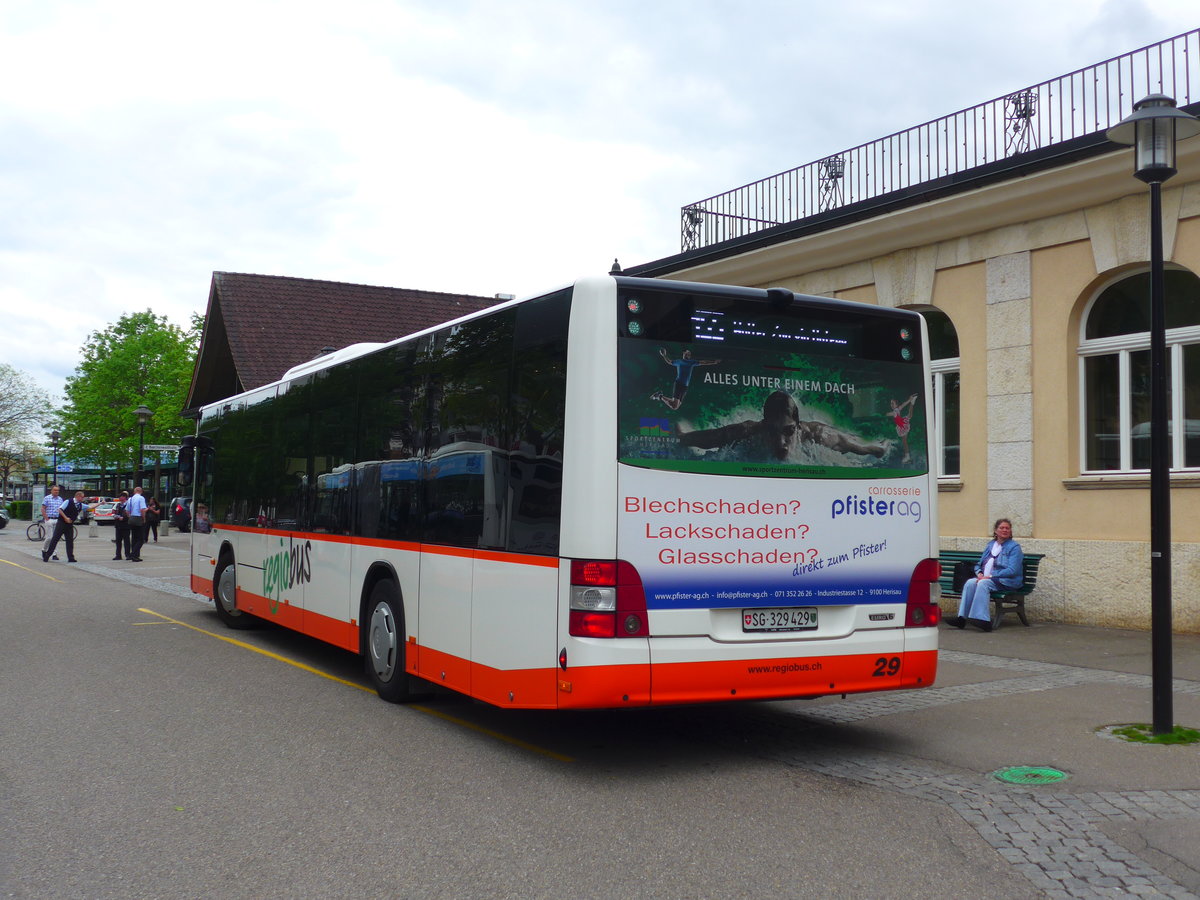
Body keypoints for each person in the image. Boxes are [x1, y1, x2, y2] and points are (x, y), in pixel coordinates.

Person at [678, 390, 889, 461]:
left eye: (788, 431)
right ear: (763, 425)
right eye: (772, 431)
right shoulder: (747, 432)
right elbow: (701, 438)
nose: (781, 443)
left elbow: (863, 447)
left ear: (797, 427)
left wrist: (881, 447)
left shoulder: (817, 435)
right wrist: (682, 436)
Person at [945, 518, 1024, 632]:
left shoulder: (1014, 547)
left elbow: (1013, 570)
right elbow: (979, 564)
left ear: (1010, 531)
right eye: (1001, 528)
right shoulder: (990, 545)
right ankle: (962, 618)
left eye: (1007, 528)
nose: (1005, 530)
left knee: (983, 584)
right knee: (970, 583)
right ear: (996, 531)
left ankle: (983, 621)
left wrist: (991, 576)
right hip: (988, 579)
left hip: (1007, 581)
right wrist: (980, 573)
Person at [650, 348, 720, 411]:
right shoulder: (679, 361)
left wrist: (714, 362)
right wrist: (664, 355)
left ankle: (659, 395)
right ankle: (660, 396)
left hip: (685, 387)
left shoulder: (692, 362)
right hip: (679, 384)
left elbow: (704, 362)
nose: (688, 354)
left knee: (675, 406)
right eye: (687, 352)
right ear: (684, 354)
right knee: (674, 406)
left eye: (689, 354)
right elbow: (669, 361)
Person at [43, 490, 85, 563]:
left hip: (69, 524)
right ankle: (47, 555)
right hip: (60, 522)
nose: (57, 491)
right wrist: (65, 518)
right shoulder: (68, 501)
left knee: (70, 541)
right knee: (54, 539)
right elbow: (59, 509)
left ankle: (71, 557)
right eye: (82, 497)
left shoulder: (79, 504)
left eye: (58, 490)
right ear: (78, 496)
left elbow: (89, 507)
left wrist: (100, 503)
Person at [890, 393, 919, 463]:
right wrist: (909, 400)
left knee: (904, 441)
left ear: (896, 405)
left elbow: (903, 405)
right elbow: (903, 404)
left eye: (892, 403)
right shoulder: (897, 409)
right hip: (901, 424)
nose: (891, 405)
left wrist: (887, 414)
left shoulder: (896, 410)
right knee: (909, 415)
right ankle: (912, 403)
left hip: (901, 424)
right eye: (891, 403)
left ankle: (907, 456)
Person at [40, 484, 65, 559]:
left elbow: (61, 510)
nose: (56, 491)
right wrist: (46, 518)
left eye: (58, 490)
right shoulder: (47, 498)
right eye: (55, 490)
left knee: (56, 538)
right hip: (49, 519)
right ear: (51, 490)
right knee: (49, 537)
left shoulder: (60, 499)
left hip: (57, 519)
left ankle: (54, 554)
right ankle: (44, 550)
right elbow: (43, 508)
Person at [126, 485, 147, 561]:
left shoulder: (130, 499)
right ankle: (134, 554)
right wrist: (143, 518)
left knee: (134, 537)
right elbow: (142, 509)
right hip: (138, 518)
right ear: (141, 491)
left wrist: (130, 517)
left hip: (131, 518)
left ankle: (135, 555)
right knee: (141, 539)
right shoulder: (141, 498)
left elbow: (127, 510)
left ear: (134, 492)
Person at [111, 491, 132, 560]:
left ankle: (128, 555)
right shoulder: (118, 505)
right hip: (118, 525)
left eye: (121, 496)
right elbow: (113, 512)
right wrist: (115, 516)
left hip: (126, 525)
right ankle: (118, 555)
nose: (119, 498)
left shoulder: (128, 505)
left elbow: (130, 514)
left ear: (124, 497)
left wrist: (124, 518)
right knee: (118, 541)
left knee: (126, 541)